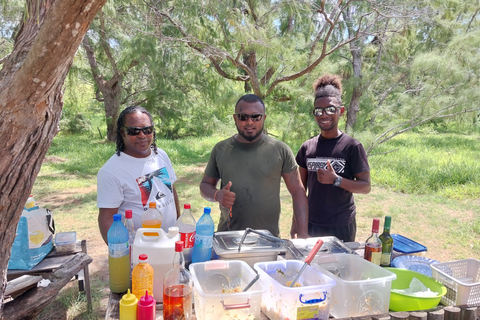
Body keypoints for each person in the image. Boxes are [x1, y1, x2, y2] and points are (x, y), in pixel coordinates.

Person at [199, 94, 309, 238]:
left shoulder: (280, 150)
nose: (249, 122)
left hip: (268, 239)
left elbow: (298, 192)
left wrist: (303, 234)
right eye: (243, 117)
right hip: (228, 237)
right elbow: (205, 185)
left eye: (256, 117)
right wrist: (217, 195)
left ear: (264, 118)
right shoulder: (221, 149)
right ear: (235, 118)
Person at [295, 74, 371, 242]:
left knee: (338, 268)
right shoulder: (307, 148)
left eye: (330, 109)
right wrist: (296, 224)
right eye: (318, 111)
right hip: (311, 223)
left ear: (341, 111)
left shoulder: (352, 147)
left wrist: (336, 180)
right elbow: (300, 191)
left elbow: (365, 187)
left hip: (341, 225)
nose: (324, 115)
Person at [97, 106, 180, 244]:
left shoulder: (161, 155)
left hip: (170, 242)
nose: (142, 135)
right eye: (133, 131)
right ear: (122, 132)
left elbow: (172, 192)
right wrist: (121, 252)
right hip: (139, 249)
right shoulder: (110, 171)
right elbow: (107, 218)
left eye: (147, 130)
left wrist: (177, 226)